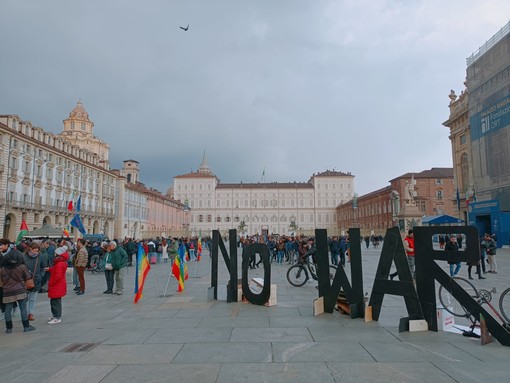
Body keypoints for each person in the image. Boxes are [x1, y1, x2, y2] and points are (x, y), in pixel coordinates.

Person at [0, 246, 36, 333]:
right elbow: (28, 278)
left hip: (7, 291)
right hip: (20, 290)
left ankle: (9, 328)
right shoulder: (22, 267)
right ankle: (26, 326)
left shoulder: (2, 269)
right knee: (23, 308)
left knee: (8, 310)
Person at [23, 242, 47, 321]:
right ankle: (24, 313)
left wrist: (41, 275)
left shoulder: (40, 257)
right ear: (30, 249)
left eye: (37, 250)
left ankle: (31, 313)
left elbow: (44, 267)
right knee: (25, 299)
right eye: (34, 250)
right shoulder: (24, 256)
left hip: (36, 280)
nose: (36, 251)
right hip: (25, 280)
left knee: (33, 298)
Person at [46, 245, 69, 324]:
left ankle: (57, 317)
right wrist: (50, 269)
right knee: (54, 301)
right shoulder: (61, 262)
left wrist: (51, 282)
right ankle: (55, 315)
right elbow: (57, 270)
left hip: (57, 285)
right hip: (59, 285)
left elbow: (58, 275)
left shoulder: (59, 263)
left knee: (56, 302)